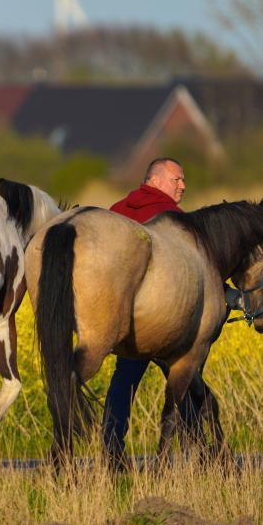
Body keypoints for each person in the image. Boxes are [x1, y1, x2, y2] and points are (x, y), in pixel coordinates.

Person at [102, 157, 206, 467]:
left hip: (125, 318)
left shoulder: (116, 212)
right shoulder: (173, 218)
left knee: (123, 380)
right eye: (177, 180)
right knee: (185, 377)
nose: (183, 185)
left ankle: (111, 447)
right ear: (156, 181)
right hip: (163, 318)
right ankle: (199, 449)